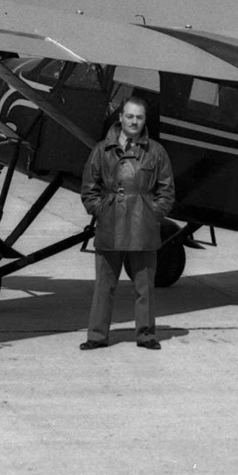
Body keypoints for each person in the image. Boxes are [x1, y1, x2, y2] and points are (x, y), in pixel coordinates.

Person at [79, 96, 176, 350]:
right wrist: (101, 211)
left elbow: (166, 191)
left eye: (139, 117)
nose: (134, 121)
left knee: (145, 287)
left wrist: (152, 214)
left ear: (145, 121)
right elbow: (89, 189)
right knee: (104, 287)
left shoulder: (156, 152)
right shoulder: (102, 150)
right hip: (110, 225)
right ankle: (97, 337)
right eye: (130, 116)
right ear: (120, 117)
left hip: (142, 227)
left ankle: (146, 336)